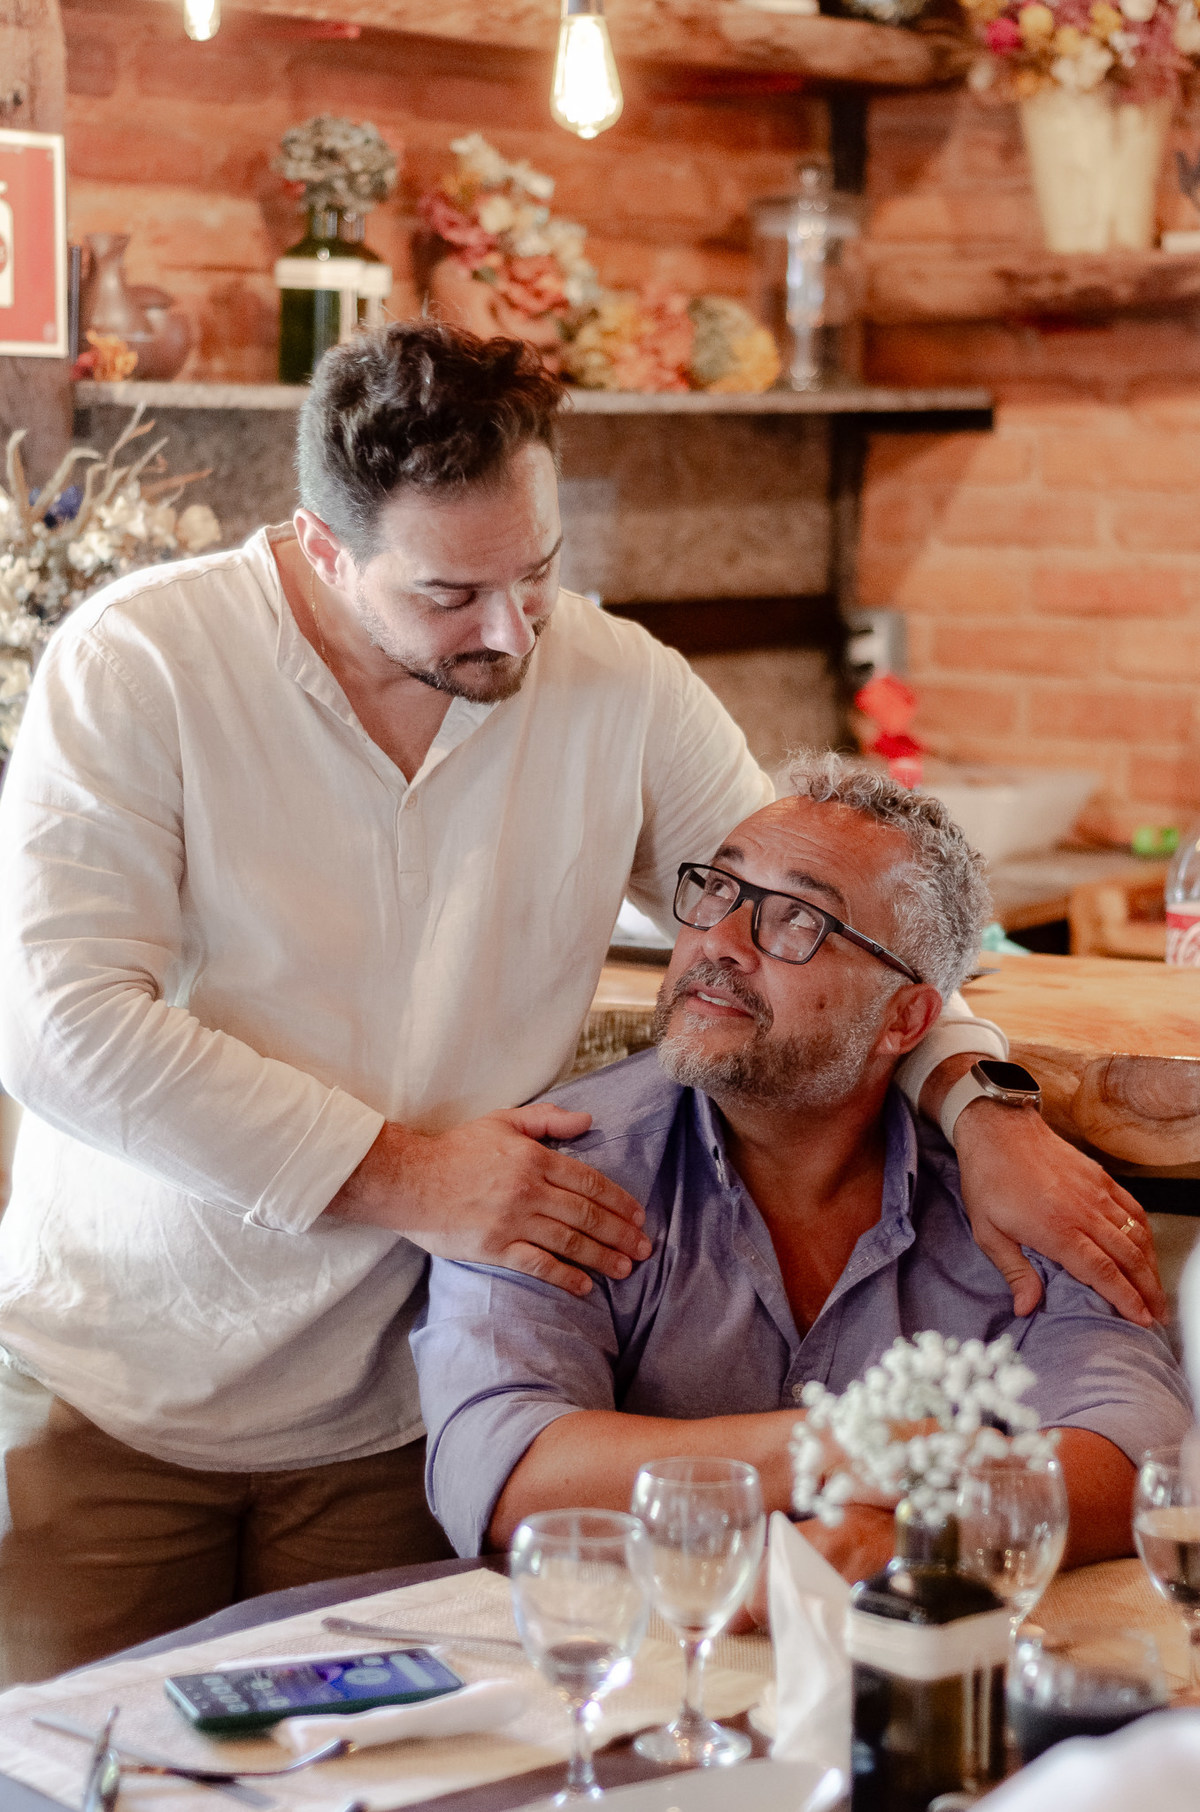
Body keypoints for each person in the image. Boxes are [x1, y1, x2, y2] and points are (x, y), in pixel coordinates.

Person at [0, 325, 1162, 1683]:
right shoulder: (144, 664)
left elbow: (831, 914)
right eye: (450, 593)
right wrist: (412, 1177)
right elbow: (58, 1020)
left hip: (388, 1419)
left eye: (537, 573)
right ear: (321, 547)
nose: (510, 631)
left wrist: (985, 1105)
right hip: (113, 1393)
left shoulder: (615, 681)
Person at [415, 753, 1190, 1575]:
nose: (720, 941)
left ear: (906, 1019)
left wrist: (922, 1541)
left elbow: (1135, 1446)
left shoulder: (1018, 1196)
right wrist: (834, 1450)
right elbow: (499, 1468)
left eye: (796, 921)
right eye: (717, 889)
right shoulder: (569, 1168)